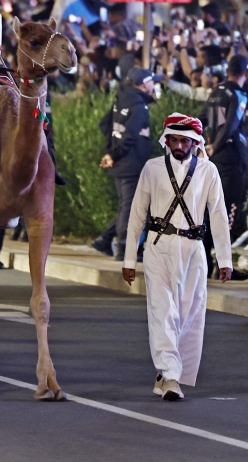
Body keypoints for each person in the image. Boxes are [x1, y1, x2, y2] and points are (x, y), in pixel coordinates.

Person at [123, 114, 233, 401]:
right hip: (159, 247)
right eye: (174, 139)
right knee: (163, 311)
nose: (179, 145)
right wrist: (128, 260)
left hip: (194, 252)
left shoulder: (208, 172)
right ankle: (171, 376)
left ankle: (166, 372)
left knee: (188, 314)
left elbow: (219, 215)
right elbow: (137, 215)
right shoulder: (152, 168)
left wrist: (225, 259)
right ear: (166, 140)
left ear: (195, 142)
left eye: (185, 140)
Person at [97, 67, 161, 260]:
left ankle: (106, 239)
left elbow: (104, 124)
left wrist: (111, 152)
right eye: (152, 81)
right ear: (143, 85)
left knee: (127, 204)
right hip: (131, 164)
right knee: (130, 206)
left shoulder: (121, 100)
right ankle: (123, 248)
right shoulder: (139, 107)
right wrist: (113, 154)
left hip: (121, 162)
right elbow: (130, 136)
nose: (154, 84)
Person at [198, 54, 248, 250]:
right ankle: (222, 265)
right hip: (232, 157)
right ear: (245, 73)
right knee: (229, 211)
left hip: (215, 159)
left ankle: (208, 264)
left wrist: (202, 145)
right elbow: (231, 125)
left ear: (227, 72)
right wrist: (216, 145)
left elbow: (199, 120)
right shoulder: (239, 95)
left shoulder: (215, 92)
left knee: (212, 209)